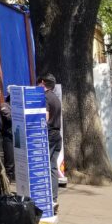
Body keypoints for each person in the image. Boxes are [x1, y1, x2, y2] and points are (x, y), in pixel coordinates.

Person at [42, 73, 63, 208]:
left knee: (47, 166)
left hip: (49, 135)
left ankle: (47, 198)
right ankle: (53, 198)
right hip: (57, 135)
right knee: (53, 167)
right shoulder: (56, 97)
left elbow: (45, 117)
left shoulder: (45, 97)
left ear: (43, 83)